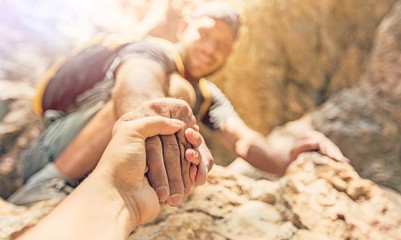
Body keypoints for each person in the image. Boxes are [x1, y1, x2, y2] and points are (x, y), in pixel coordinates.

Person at [8, 1, 348, 206]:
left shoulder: (210, 95)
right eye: (204, 34)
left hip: (98, 165)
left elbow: (244, 140)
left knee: (180, 95)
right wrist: (152, 117)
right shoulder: (153, 51)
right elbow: (137, 83)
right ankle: (50, 183)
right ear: (184, 27)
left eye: (222, 46)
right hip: (50, 153)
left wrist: (292, 158)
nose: (211, 49)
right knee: (174, 94)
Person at [17, 113, 192, 240]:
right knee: (175, 90)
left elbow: (220, 119)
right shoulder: (161, 65)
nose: (210, 58)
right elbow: (137, 77)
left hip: (85, 195)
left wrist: (126, 197)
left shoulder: (210, 97)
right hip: (44, 162)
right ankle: (42, 185)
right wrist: (143, 120)